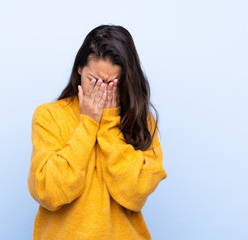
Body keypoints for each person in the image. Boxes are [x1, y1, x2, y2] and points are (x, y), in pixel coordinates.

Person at [27, 24, 168, 240]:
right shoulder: (50, 116)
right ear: (80, 69)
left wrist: (109, 124)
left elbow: (135, 194)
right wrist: (88, 123)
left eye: (112, 83)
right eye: (93, 80)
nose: (101, 90)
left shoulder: (142, 122)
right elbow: (49, 193)